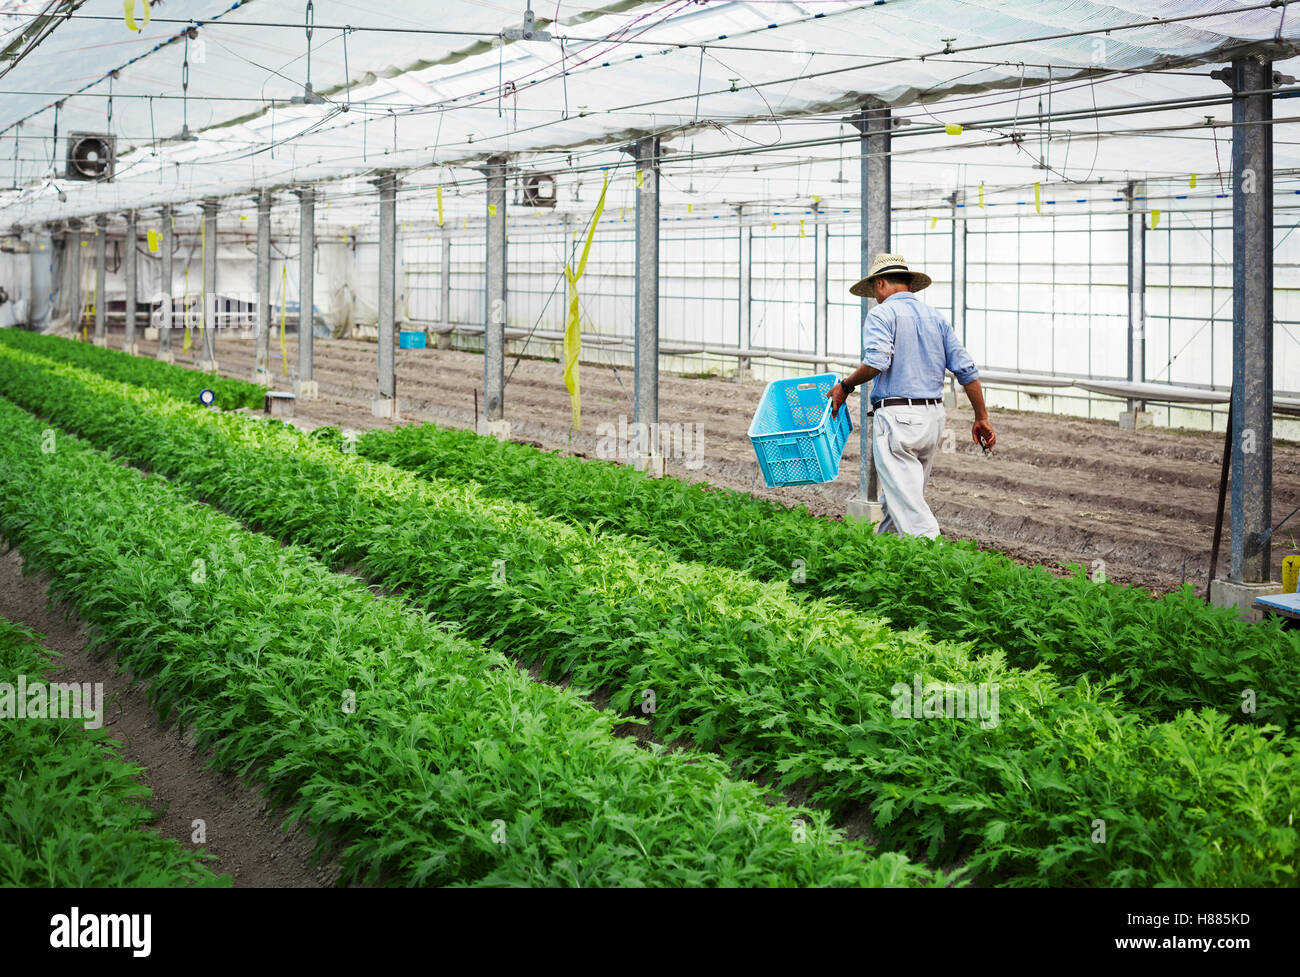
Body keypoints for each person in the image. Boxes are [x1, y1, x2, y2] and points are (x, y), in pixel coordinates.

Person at [826, 253, 996, 539]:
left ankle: (937, 568)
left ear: (880, 284)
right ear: (908, 284)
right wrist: (981, 417)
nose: (875, 299)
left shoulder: (881, 315)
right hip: (932, 419)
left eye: (875, 292)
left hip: (898, 420)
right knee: (900, 499)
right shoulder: (936, 317)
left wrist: (846, 386)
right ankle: (886, 557)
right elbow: (966, 369)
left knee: (911, 509)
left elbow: (877, 361)